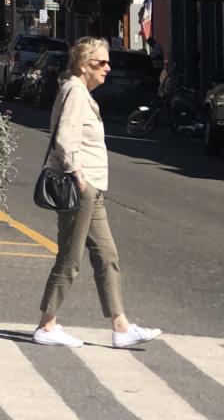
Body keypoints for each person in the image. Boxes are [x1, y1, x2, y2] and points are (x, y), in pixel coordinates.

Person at [34, 37, 161, 349]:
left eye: (107, 62)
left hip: (93, 187)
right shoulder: (75, 91)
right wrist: (77, 173)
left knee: (107, 256)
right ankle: (47, 325)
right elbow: (65, 138)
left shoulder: (81, 92)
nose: (107, 68)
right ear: (82, 65)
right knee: (70, 258)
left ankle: (121, 327)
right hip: (82, 186)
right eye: (100, 63)